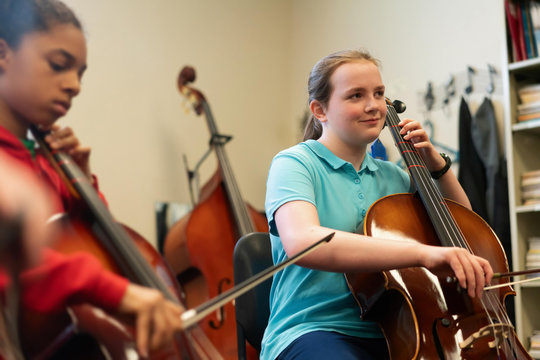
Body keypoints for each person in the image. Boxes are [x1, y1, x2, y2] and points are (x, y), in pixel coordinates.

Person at [260, 49, 494, 360]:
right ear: (320, 110)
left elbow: (462, 224)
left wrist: (435, 164)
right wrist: (423, 254)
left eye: (379, 93)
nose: (374, 106)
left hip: (398, 330)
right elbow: (304, 242)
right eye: (356, 95)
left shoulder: (394, 177)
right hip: (313, 330)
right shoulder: (295, 164)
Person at [0, 0, 184, 357]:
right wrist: (120, 294)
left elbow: (95, 248)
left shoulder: (49, 159)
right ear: (3, 54)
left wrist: (84, 189)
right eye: (58, 65)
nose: (74, 86)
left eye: (80, 73)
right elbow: (25, 265)